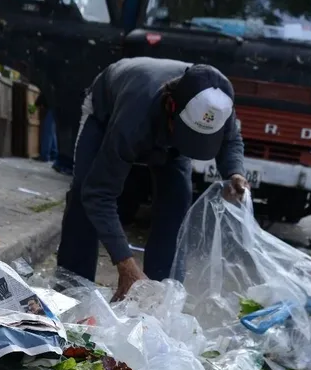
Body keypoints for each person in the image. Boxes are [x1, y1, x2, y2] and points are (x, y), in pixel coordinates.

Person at [56, 57, 248, 300]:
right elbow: (99, 193)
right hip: (106, 111)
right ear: (170, 106)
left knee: (177, 204)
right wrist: (126, 264)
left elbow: (230, 141)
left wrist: (235, 173)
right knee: (84, 194)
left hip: (166, 130)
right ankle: (71, 292)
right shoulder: (133, 117)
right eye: (187, 135)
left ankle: (159, 296)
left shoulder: (217, 104)